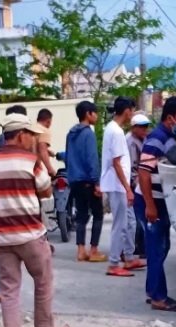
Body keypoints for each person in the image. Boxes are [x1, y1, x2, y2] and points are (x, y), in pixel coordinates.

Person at [0, 113, 73, 327]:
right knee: (43, 281)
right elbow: (45, 189)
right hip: (30, 233)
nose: (33, 139)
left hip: (2, 236)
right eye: (31, 135)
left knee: (9, 290)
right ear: (21, 134)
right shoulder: (30, 160)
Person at [135, 96, 176, 312]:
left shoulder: (169, 138)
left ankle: (152, 289)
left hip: (159, 200)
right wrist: (150, 206)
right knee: (157, 249)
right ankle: (159, 298)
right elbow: (144, 173)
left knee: (161, 247)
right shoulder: (156, 139)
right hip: (150, 200)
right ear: (170, 118)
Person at [101, 97, 146, 277]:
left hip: (118, 183)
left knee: (128, 222)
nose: (132, 115)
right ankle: (113, 263)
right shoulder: (117, 133)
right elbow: (117, 163)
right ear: (127, 111)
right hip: (118, 184)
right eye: (132, 111)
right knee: (120, 224)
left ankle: (128, 257)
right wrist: (128, 188)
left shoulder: (112, 129)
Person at [66, 101, 107, 262]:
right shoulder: (88, 133)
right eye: (95, 113)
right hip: (88, 180)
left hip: (74, 180)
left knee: (81, 215)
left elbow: (69, 156)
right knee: (98, 214)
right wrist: (97, 182)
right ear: (88, 114)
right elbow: (92, 159)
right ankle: (94, 249)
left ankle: (81, 250)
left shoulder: (71, 133)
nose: (96, 116)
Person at [126, 113, 151, 259]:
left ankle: (141, 246)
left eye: (146, 127)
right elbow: (132, 167)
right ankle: (139, 247)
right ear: (134, 127)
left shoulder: (142, 139)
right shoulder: (130, 142)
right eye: (141, 127)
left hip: (141, 179)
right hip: (135, 180)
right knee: (139, 215)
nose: (145, 130)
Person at [35, 108, 57, 178]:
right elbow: (42, 150)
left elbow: (35, 146)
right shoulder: (44, 130)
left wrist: (48, 152)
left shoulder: (30, 128)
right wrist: (50, 169)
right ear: (48, 121)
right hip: (35, 166)